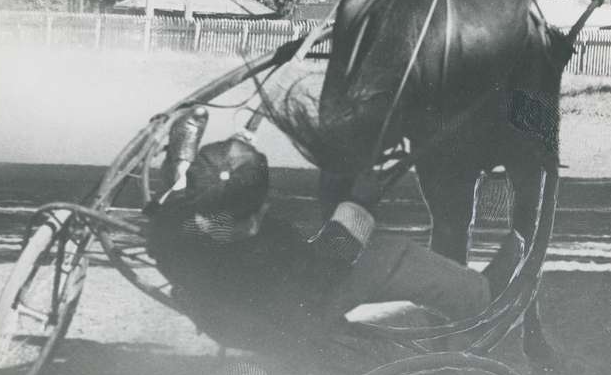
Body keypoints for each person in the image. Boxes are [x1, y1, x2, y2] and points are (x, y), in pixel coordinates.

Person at [146, 133, 517, 349]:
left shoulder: (169, 224)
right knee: (392, 254)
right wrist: (358, 204)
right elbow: (328, 265)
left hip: (224, 317)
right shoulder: (266, 252)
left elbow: (186, 189)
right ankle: (481, 296)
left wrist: (193, 140)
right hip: (285, 319)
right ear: (260, 209)